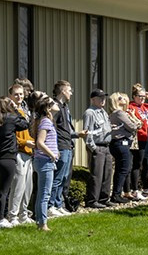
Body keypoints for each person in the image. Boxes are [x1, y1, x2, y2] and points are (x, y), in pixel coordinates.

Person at [0, 96, 28, 228]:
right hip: (7, 157)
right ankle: (1, 219)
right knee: (5, 190)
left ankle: (0, 217)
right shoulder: (11, 118)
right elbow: (25, 124)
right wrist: (16, 110)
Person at [6, 80, 35, 225]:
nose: (19, 97)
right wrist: (24, 142)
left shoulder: (24, 111)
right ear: (10, 96)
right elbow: (9, 136)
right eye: (16, 95)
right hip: (18, 152)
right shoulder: (8, 112)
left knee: (28, 187)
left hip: (29, 152)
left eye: (21, 94)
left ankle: (24, 214)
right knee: (18, 186)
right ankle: (13, 216)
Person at [48, 80, 79, 216]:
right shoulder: (55, 107)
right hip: (60, 145)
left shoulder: (64, 107)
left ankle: (58, 204)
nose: (71, 93)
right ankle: (50, 206)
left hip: (68, 144)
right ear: (62, 91)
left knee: (63, 177)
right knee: (57, 177)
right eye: (69, 90)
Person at [30, 97, 60, 231]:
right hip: (45, 161)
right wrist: (52, 154)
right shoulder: (46, 122)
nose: (56, 104)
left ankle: (40, 222)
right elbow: (40, 143)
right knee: (44, 194)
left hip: (43, 160)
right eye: (53, 103)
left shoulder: (43, 121)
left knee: (42, 193)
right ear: (48, 108)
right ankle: (43, 224)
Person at [108, 92, 140, 204]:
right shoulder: (119, 113)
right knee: (124, 169)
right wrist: (133, 119)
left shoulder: (115, 113)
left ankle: (117, 194)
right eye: (120, 98)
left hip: (118, 143)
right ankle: (116, 195)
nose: (125, 100)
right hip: (121, 143)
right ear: (115, 101)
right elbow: (134, 126)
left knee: (121, 168)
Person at [83, 89, 113, 209]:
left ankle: (104, 198)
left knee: (107, 174)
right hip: (98, 146)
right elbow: (87, 132)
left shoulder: (103, 112)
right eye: (100, 98)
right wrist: (93, 148)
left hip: (106, 146)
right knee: (96, 175)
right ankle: (92, 200)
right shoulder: (90, 113)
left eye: (104, 98)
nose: (103, 100)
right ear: (93, 99)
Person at [128, 83, 148, 196]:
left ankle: (146, 187)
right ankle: (135, 188)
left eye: (143, 96)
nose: (141, 98)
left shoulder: (147, 107)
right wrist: (145, 134)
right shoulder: (130, 107)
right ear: (134, 96)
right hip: (140, 140)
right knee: (137, 164)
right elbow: (134, 124)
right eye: (139, 96)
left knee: (147, 165)